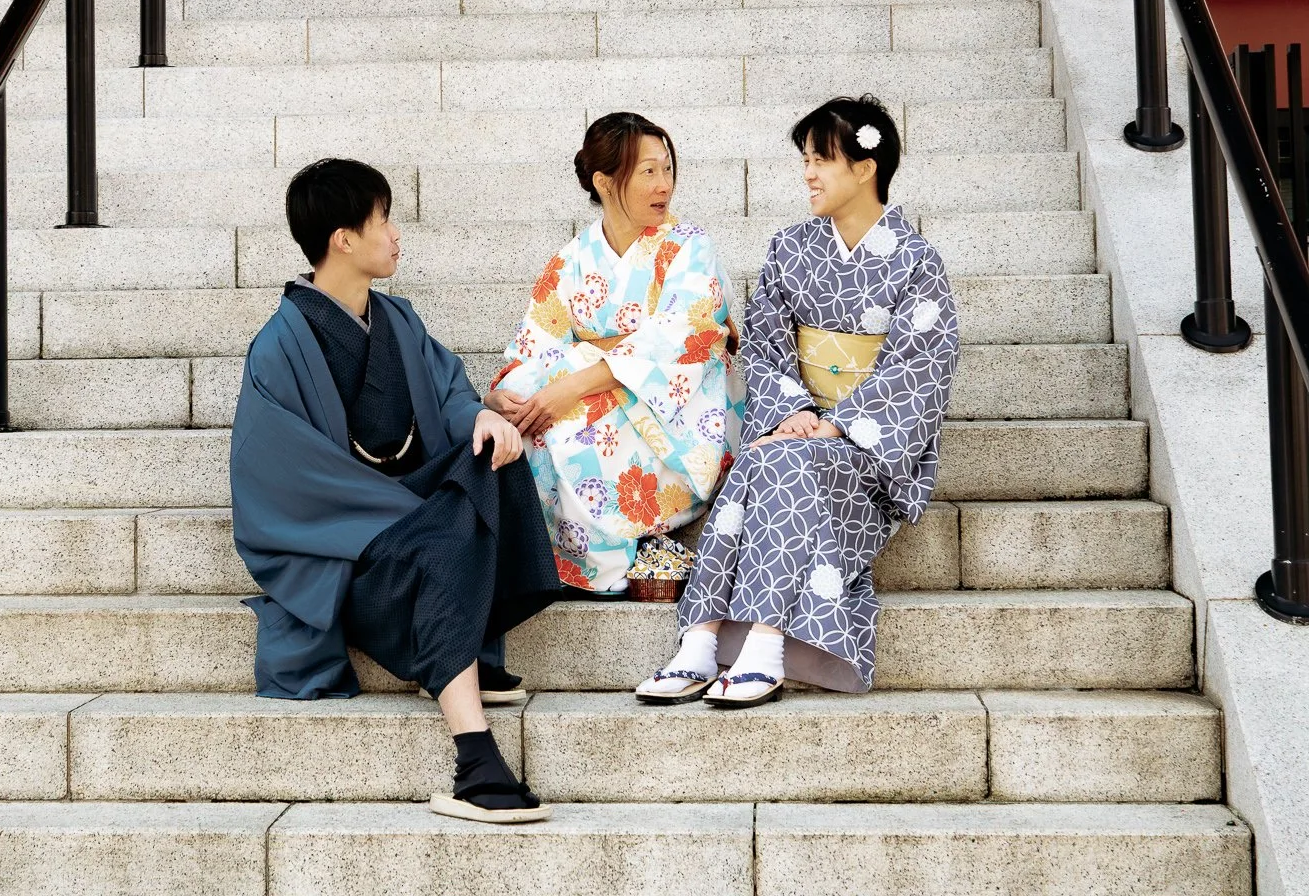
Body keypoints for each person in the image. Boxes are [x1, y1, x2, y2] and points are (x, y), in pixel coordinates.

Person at [230, 158, 565, 824]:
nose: (394, 234)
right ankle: (473, 756)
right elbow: (281, 486)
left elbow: (449, 396)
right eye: (382, 218)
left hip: (417, 535)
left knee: (492, 459)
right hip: (354, 558)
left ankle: (452, 646)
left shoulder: (400, 321)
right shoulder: (276, 350)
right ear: (341, 239)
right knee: (441, 531)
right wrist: (410, 517)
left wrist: (485, 419)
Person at [636, 94, 958, 707]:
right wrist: (793, 413)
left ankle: (755, 644)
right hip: (800, 429)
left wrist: (838, 425)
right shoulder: (789, 249)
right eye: (805, 158)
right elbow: (763, 346)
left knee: (778, 461)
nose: (807, 172)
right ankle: (704, 642)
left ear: (865, 168)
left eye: (821, 160)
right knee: (766, 456)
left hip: (869, 451)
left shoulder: (918, 262)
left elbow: (922, 368)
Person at [489, 112, 739, 596]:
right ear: (604, 182)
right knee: (528, 419)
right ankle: (553, 563)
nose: (663, 184)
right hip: (593, 400)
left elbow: (682, 338)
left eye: (666, 168)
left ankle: (597, 567)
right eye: (648, 171)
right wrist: (504, 397)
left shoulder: (689, 248)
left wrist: (573, 383)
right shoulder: (572, 260)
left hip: (679, 417)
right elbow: (534, 345)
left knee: (568, 431)